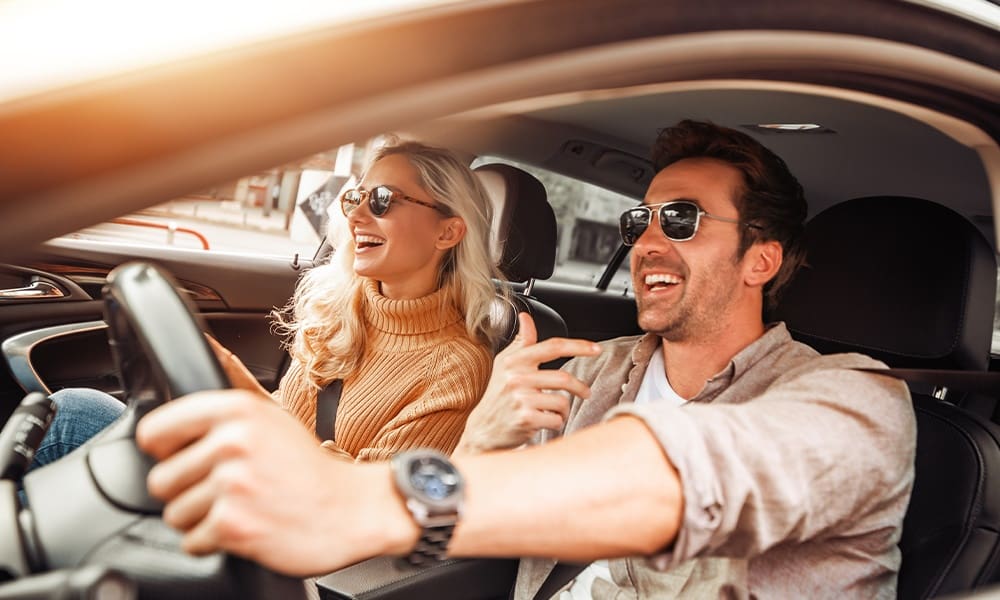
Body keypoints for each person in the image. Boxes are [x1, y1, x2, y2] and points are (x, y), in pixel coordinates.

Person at [134, 121, 915, 598]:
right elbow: (474, 505)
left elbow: (696, 469)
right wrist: (482, 434)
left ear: (761, 260)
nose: (645, 241)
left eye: (680, 219)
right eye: (639, 218)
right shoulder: (584, 366)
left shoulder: (858, 402)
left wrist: (357, 499)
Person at [33, 139, 504, 466]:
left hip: (283, 533)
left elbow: (372, 498)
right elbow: (287, 415)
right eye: (356, 197)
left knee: (74, 420)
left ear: (448, 231)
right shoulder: (342, 307)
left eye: (382, 200)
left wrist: (238, 388)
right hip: (246, 472)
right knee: (73, 407)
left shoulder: (455, 366)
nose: (357, 214)